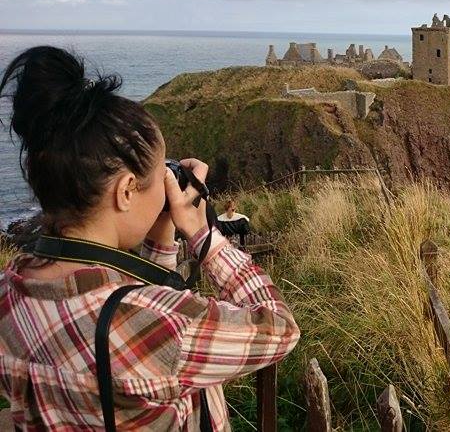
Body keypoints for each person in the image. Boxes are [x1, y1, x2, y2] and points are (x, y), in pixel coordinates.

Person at [0, 47, 300, 430]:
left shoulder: (10, 295)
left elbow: (121, 296)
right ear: (126, 191)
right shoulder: (161, 330)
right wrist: (203, 236)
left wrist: (160, 232)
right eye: (161, 175)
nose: (166, 186)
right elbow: (279, 329)